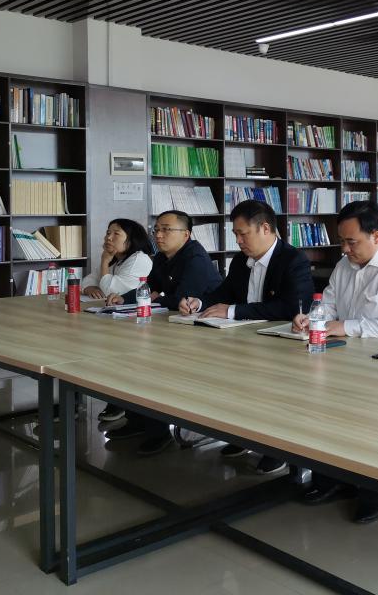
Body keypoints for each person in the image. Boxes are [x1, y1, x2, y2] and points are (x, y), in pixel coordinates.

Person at [293, 200, 378, 524]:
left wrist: (345, 326)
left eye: (352, 242)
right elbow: (329, 306)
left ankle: (373, 492)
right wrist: (311, 318)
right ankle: (331, 479)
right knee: (329, 416)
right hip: (348, 358)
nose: (345, 249)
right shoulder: (344, 265)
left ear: (376, 236)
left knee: (372, 427)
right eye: (342, 241)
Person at [178, 200, 313, 474]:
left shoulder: (294, 260)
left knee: (269, 392)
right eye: (235, 234)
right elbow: (223, 294)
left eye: (243, 234)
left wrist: (234, 311)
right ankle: (242, 437)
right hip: (244, 341)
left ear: (265, 228)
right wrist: (197, 303)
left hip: (280, 348)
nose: (238, 241)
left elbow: (291, 308)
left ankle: (276, 449)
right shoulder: (241, 260)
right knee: (233, 384)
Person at [102, 210, 223, 455]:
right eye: (157, 229)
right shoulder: (161, 257)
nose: (159, 235)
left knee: (151, 365)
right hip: (176, 326)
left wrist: (154, 299)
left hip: (206, 333)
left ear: (186, 234)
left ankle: (158, 431)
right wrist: (124, 299)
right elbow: (150, 288)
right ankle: (137, 421)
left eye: (166, 230)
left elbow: (181, 299)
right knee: (131, 356)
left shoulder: (195, 258)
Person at [82, 219, 154, 426]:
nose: (108, 237)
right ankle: (113, 400)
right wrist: (89, 288)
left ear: (131, 240)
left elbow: (113, 289)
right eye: (108, 232)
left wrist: (105, 261)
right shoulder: (118, 259)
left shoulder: (139, 259)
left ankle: (121, 402)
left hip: (137, 325)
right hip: (116, 321)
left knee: (112, 356)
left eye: (116, 234)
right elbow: (89, 279)